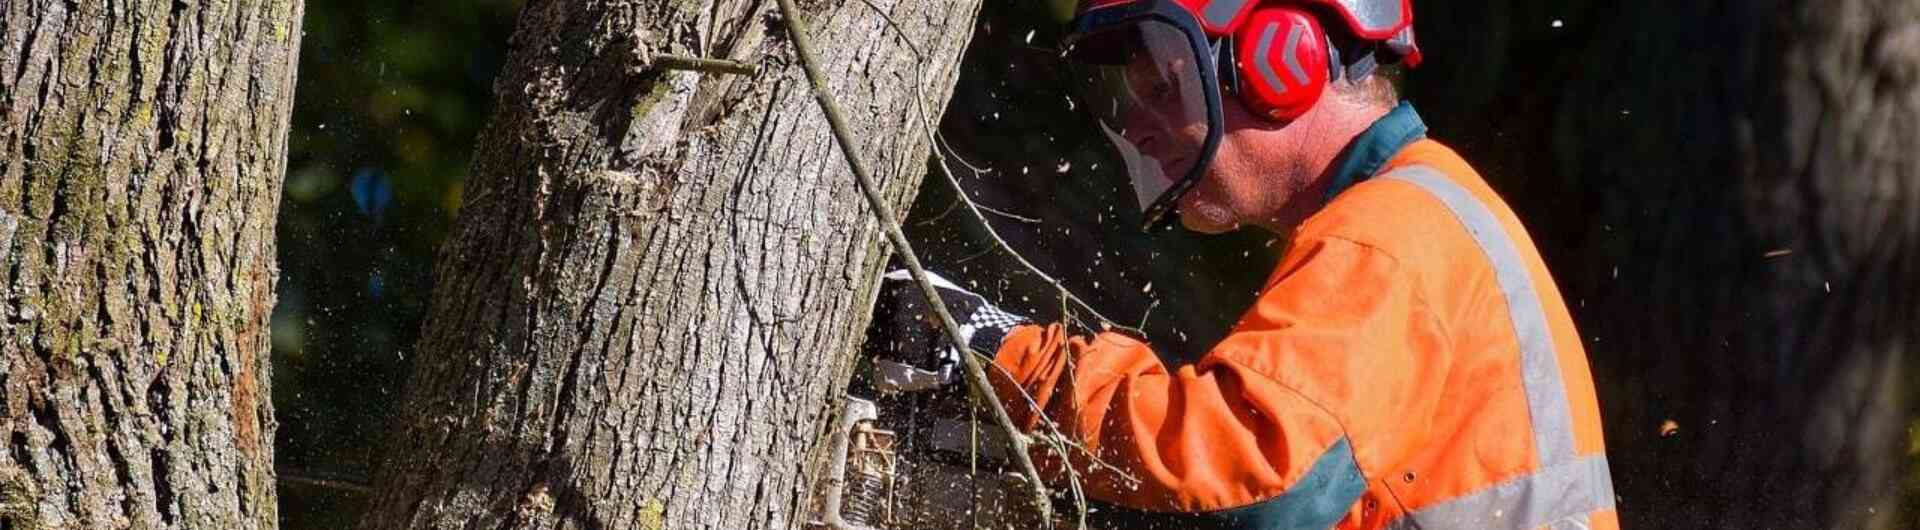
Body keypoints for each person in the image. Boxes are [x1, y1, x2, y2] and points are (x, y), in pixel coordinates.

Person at [867, 1, 1618, 528]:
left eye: (1163, 85)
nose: (1138, 122)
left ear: (1278, 59)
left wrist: (1000, 357)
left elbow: (1257, 483)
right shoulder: (1423, 211)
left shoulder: (1390, 235)